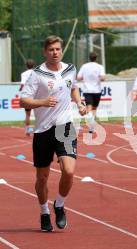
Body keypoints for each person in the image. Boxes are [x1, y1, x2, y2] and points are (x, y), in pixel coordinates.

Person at [20, 35, 87, 232]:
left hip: (64, 127)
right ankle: (44, 212)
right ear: (45, 52)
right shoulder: (37, 74)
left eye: (58, 49)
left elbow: (73, 88)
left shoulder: (70, 69)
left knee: (69, 170)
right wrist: (42, 102)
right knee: (42, 178)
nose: (55, 53)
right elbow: (23, 101)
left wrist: (80, 103)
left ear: (61, 50)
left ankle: (59, 204)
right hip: (42, 131)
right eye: (51, 50)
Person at [77, 51, 106, 133]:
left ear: (89, 58)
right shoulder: (100, 67)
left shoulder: (84, 66)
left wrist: (86, 78)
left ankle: (91, 126)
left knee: (89, 108)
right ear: (96, 58)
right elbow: (103, 78)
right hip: (97, 90)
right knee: (94, 109)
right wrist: (97, 78)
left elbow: (78, 77)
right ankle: (91, 126)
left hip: (87, 90)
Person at [19, 59, 35, 135]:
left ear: (26, 66)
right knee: (40, 114)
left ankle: (28, 130)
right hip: (35, 95)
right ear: (33, 65)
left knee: (27, 115)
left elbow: (22, 84)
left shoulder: (24, 74)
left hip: (27, 96)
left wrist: (20, 89)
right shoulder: (36, 73)